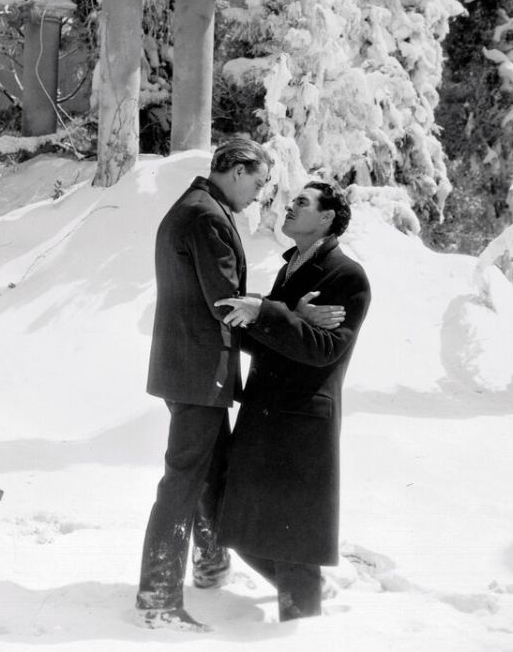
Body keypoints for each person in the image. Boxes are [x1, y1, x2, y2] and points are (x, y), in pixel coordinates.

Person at [136, 141, 342, 632]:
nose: (260, 192)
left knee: (210, 474)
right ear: (234, 170)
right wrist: (295, 317)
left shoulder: (196, 208)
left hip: (190, 370)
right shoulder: (205, 216)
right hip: (196, 374)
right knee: (184, 482)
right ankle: (158, 598)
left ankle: (211, 564)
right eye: (257, 180)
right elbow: (226, 302)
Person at [214, 181, 371, 622]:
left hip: (303, 421)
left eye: (302, 202)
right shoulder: (292, 270)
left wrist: (268, 313)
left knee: (295, 544)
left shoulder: (347, 275)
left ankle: (303, 624)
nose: (290, 207)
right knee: (244, 528)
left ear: (326, 218)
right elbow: (277, 341)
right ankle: (307, 599)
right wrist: (274, 315)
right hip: (266, 413)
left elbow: (324, 350)